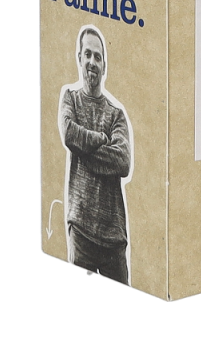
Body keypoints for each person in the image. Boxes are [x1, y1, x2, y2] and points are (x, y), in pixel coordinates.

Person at [59, 25, 132, 284]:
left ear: (104, 66)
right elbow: (69, 134)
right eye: (88, 54)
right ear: (79, 58)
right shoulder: (70, 99)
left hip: (114, 237)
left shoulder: (116, 115)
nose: (92, 62)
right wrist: (101, 139)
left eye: (98, 57)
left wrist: (84, 149)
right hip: (81, 230)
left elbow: (122, 161)